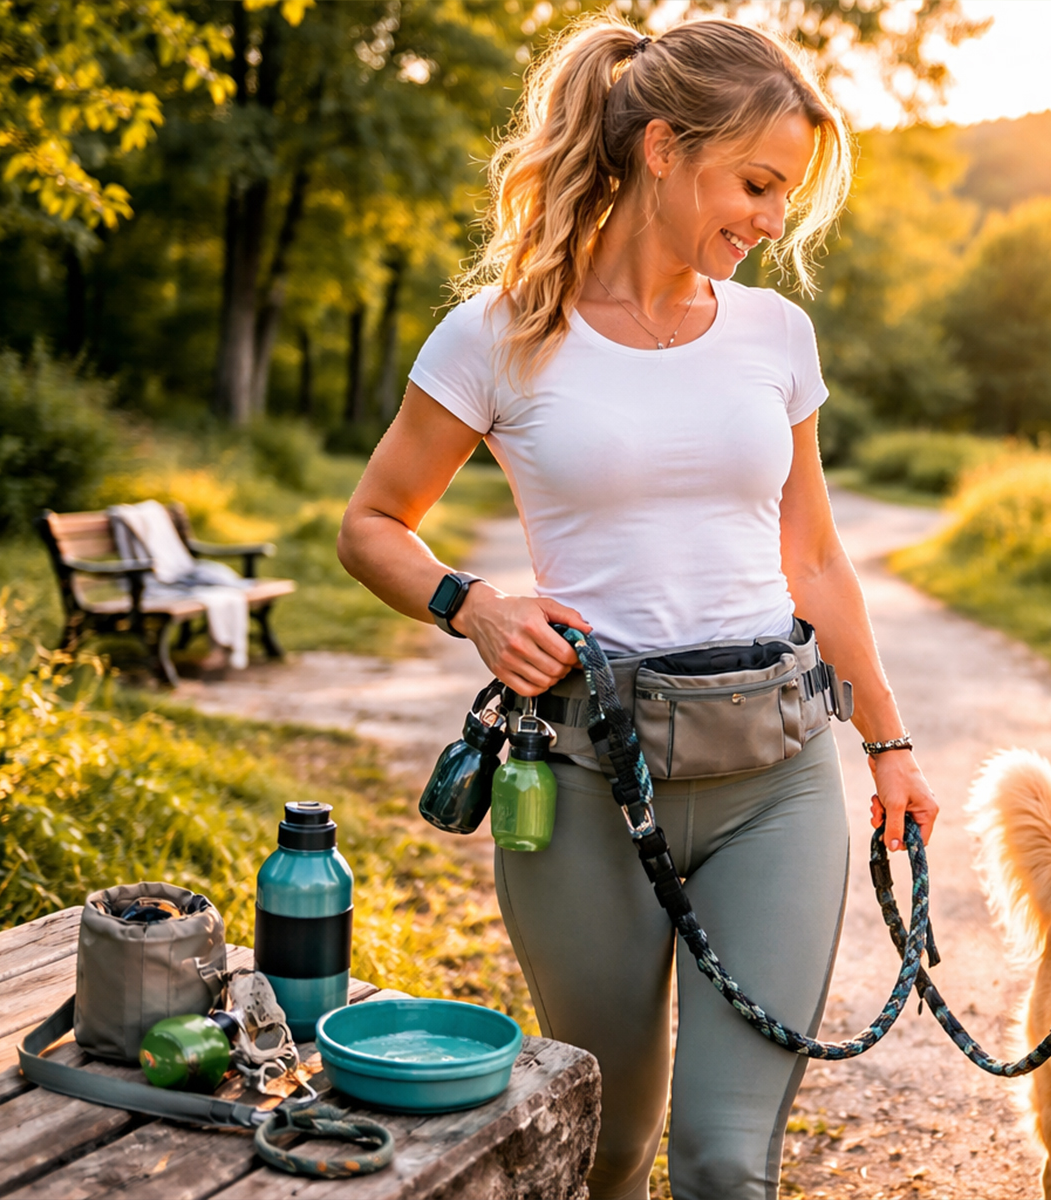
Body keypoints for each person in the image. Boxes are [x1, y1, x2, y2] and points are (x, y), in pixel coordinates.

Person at [335, 15, 939, 1200]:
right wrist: (474, 606)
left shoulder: (776, 334)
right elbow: (370, 525)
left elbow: (815, 559)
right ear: (662, 148)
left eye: (787, 195)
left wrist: (892, 746)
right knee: (603, 1146)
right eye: (756, 184)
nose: (772, 223)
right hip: (582, 781)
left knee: (724, 1162)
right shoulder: (500, 335)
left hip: (779, 776)